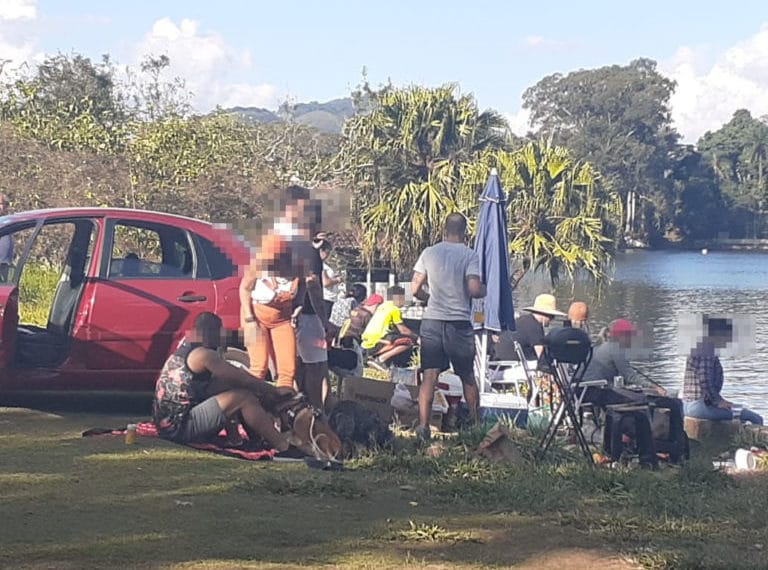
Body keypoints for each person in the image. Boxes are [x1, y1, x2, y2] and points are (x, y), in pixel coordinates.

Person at [152, 312, 315, 457]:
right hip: (178, 427)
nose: (221, 340)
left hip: (167, 422)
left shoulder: (186, 345)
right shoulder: (203, 355)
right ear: (211, 334)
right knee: (243, 398)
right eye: (219, 335)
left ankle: (241, 438)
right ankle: (284, 447)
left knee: (230, 387)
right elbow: (242, 378)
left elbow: (227, 381)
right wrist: (274, 390)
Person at [411, 213, 486, 441]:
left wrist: (428, 298)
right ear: (465, 232)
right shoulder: (469, 255)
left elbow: (415, 289)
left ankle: (423, 427)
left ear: (444, 229)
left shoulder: (429, 253)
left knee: (430, 375)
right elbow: (474, 289)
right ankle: (474, 425)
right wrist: (485, 290)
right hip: (458, 322)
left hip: (432, 320)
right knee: (466, 376)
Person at [239, 233, 302, 390]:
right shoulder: (257, 266)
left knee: (288, 369)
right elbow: (244, 289)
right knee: (259, 367)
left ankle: (283, 405)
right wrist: (249, 320)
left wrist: (298, 308)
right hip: (255, 317)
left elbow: (303, 290)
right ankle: (248, 404)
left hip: (282, 320)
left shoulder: (298, 270)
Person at [682, 316, 763, 425]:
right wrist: (718, 401)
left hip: (687, 404)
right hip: (699, 406)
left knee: (739, 409)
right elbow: (704, 377)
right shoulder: (707, 349)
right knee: (754, 417)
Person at [582, 319, 665, 394]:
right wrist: (654, 387)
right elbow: (630, 377)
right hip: (597, 392)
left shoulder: (594, 347)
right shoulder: (616, 348)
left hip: (582, 391)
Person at [361, 285, 417, 368]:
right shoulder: (394, 309)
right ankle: (380, 359)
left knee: (394, 338)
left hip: (366, 343)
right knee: (408, 341)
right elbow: (403, 330)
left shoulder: (382, 306)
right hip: (376, 342)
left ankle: (373, 357)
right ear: (397, 298)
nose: (404, 301)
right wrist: (417, 337)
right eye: (403, 298)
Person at [315, 237, 343, 318]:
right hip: (326, 298)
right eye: (327, 252)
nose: (328, 255)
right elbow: (325, 283)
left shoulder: (325, 265)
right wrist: (338, 280)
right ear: (321, 251)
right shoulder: (320, 265)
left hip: (329, 298)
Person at [0, 195, 13, 282]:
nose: (2, 207)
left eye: (4, 204)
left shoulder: (6, 223)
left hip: (4, 266)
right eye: (1, 204)